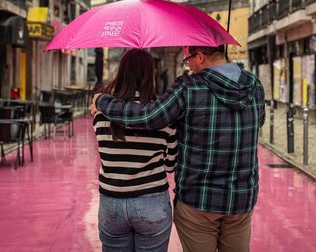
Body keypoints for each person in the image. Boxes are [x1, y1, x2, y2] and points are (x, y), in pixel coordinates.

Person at [90, 45, 265, 252]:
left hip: (198, 199)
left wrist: (101, 100)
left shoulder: (188, 88)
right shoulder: (255, 86)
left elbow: (147, 117)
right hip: (241, 198)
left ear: (200, 56)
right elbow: (258, 123)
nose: (188, 65)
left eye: (187, 59)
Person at [92, 48, 177, 252]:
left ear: (121, 73)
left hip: (111, 203)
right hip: (151, 203)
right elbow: (170, 165)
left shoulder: (101, 114)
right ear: (151, 75)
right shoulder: (163, 116)